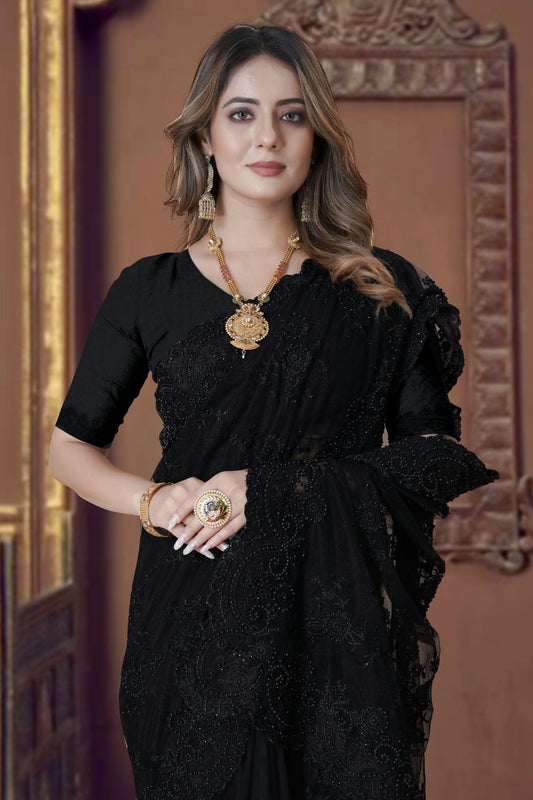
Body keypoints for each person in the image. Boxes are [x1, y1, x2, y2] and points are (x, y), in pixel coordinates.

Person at [49, 23, 499, 800]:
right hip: (190, 622)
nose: (267, 137)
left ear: (315, 136)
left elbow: (435, 456)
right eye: (241, 114)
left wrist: (275, 491)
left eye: (291, 115)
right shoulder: (148, 289)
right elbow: (69, 447)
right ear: (204, 136)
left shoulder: (380, 289)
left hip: (334, 625)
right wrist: (154, 500)